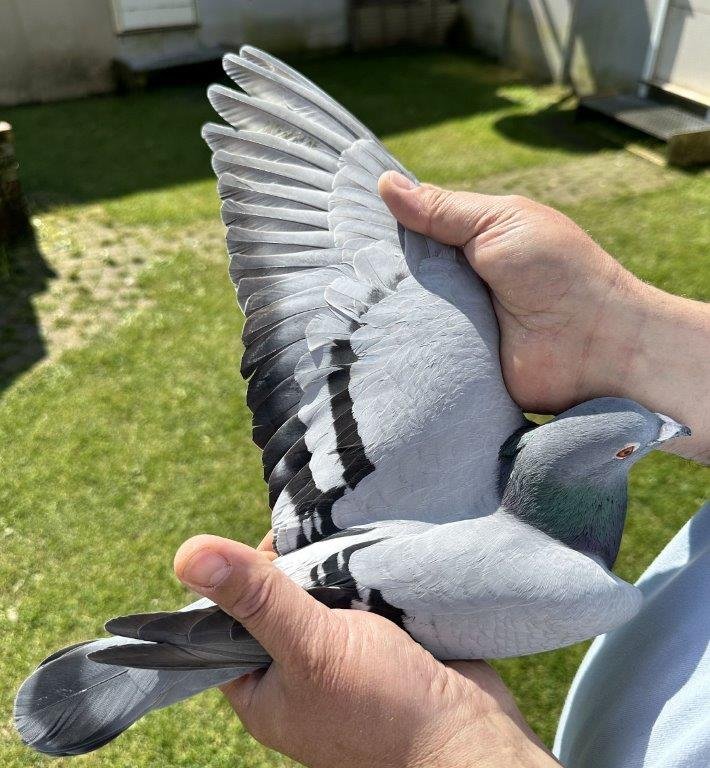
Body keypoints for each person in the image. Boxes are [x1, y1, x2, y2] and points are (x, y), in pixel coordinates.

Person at [172, 173, 710, 768]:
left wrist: (452, 743)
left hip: (333, 562)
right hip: (330, 582)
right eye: (632, 446)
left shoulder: (569, 583)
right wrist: (618, 328)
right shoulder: (584, 594)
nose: (671, 429)